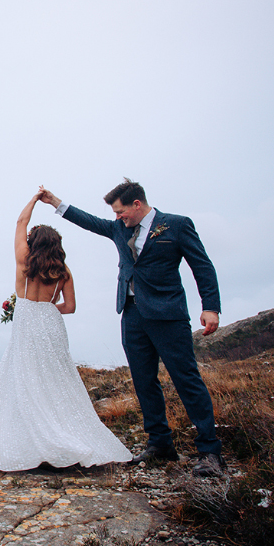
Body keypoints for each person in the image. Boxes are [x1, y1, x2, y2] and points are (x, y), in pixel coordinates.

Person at [38, 179, 225, 477]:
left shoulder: (175, 225)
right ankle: (160, 444)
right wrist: (55, 202)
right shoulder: (118, 229)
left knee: (186, 379)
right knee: (143, 381)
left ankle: (210, 451)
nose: (117, 217)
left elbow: (201, 265)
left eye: (121, 211)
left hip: (168, 315)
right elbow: (90, 222)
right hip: (132, 314)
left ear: (137, 205)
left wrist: (211, 307)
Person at [0, 191, 132, 471]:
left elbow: (20, 222)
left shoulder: (24, 261)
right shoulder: (63, 270)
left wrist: (33, 201)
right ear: (57, 244)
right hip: (51, 323)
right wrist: (49, 308)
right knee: (58, 378)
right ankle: (68, 434)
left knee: (25, 377)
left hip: (28, 321)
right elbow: (70, 307)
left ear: (34, 241)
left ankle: (34, 441)